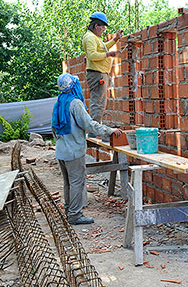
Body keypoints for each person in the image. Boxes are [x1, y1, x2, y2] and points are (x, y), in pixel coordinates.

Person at [51, 73, 122, 225]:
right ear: (73, 85)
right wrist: (109, 130)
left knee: (68, 183)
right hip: (74, 151)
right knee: (77, 182)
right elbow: (89, 125)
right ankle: (75, 215)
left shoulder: (59, 101)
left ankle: (69, 211)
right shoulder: (75, 103)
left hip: (61, 150)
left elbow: (53, 127)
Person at [82, 12, 124, 125]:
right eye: (102, 28)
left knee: (99, 102)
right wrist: (109, 55)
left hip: (100, 73)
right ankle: (94, 131)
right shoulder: (90, 37)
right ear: (96, 26)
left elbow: (103, 48)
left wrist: (116, 39)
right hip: (97, 74)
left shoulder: (94, 37)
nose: (103, 30)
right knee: (98, 103)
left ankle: (94, 128)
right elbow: (92, 55)